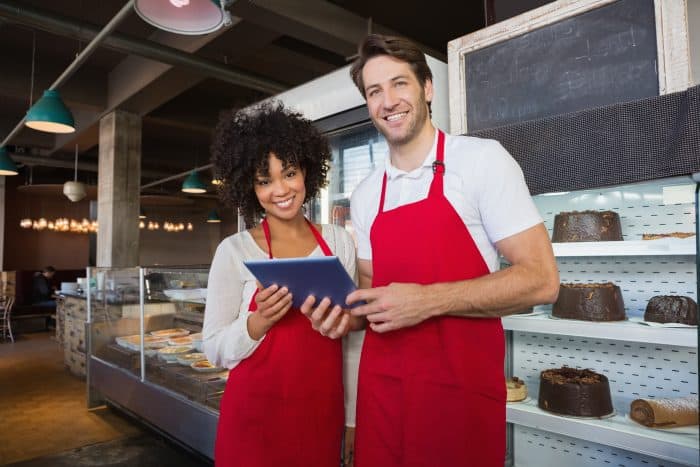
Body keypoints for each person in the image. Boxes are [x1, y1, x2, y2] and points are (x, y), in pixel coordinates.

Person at [303, 34, 560, 466]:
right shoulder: (366, 195)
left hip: (457, 398)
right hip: (383, 394)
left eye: (399, 83)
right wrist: (341, 316)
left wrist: (426, 301)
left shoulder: (481, 161)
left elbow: (541, 279)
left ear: (427, 88)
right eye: (374, 91)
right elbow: (370, 295)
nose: (388, 101)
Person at [203, 101, 361, 467]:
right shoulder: (234, 250)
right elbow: (213, 348)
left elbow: (352, 341)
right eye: (264, 180)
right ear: (250, 187)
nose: (280, 189)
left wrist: (353, 419)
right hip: (253, 420)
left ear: (306, 170)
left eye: (288, 173)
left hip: (321, 415)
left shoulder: (338, 242)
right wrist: (256, 324)